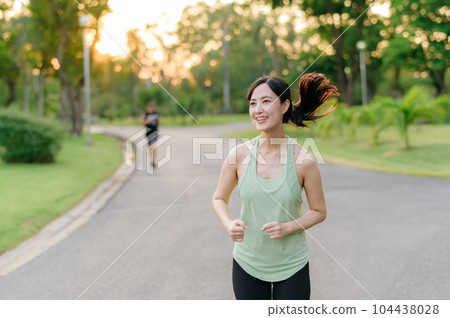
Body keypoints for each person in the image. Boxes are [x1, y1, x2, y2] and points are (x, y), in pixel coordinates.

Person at [212, 72, 339, 300]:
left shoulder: (304, 161)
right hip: (247, 263)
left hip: (292, 265)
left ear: (284, 106)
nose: (258, 109)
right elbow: (219, 198)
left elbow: (319, 211)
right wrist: (228, 224)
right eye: (253, 103)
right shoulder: (238, 155)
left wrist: (288, 227)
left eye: (266, 101)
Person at [140, 102, 159, 168]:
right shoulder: (145, 114)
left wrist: (155, 122)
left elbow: (159, 122)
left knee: (153, 146)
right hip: (148, 133)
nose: (150, 109)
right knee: (150, 147)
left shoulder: (156, 114)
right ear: (147, 108)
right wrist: (147, 121)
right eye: (149, 108)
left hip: (155, 132)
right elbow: (141, 121)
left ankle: (154, 160)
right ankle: (151, 159)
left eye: (151, 108)